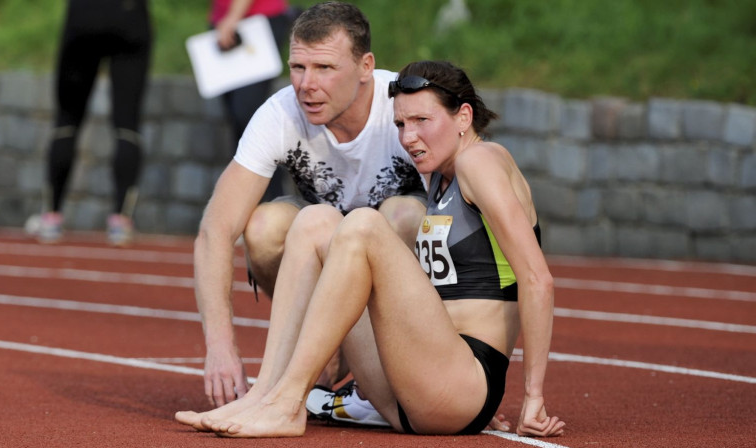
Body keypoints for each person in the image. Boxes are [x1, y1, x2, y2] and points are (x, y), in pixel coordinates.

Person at [175, 60, 566, 438]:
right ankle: (264, 395)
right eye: (400, 124)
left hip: (463, 383)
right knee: (316, 221)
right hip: (411, 380)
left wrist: (533, 397)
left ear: (464, 117)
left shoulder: (481, 161)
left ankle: (288, 404)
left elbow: (537, 279)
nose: (408, 137)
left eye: (422, 121)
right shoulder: (439, 176)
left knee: (364, 225)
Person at [189, 0, 426, 412]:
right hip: (323, 244)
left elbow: (468, 224)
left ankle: (399, 361)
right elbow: (216, 230)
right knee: (263, 228)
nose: (306, 84)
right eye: (298, 67)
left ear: (366, 67)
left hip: (396, 262)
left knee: (402, 217)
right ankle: (325, 347)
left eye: (324, 68)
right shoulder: (280, 113)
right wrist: (221, 347)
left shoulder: (407, 109)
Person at [27, 0, 152, 246]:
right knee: (127, 125)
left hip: (84, 16)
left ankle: (51, 217)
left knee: (67, 121)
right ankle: (121, 222)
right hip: (129, 15)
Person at [209, 0, 298, 200]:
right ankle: (245, 200)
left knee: (248, 116)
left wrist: (233, 17)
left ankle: (274, 196)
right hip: (222, 23)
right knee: (237, 121)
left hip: (255, 21)